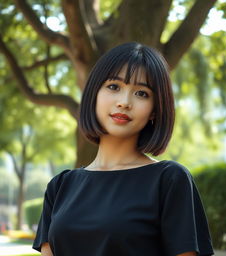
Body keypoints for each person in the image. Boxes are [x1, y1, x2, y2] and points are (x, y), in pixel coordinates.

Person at [33, 42, 214, 256]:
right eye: (114, 87)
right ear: (94, 94)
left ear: (154, 111)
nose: (124, 102)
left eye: (142, 93)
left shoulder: (170, 179)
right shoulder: (60, 186)